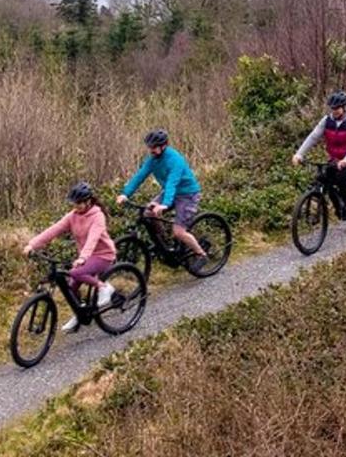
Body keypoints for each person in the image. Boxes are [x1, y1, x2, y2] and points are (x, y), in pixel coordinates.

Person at [23, 181, 121, 334]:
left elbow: (92, 239)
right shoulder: (72, 216)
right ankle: (80, 313)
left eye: (79, 203)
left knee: (77, 272)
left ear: (88, 201)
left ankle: (105, 288)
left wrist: (82, 258)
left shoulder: (98, 216)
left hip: (103, 255)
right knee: (71, 285)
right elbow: (53, 230)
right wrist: (33, 244)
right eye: (74, 203)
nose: (76, 206)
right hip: (86, 256)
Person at [115, 129, 209, 270]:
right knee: (148, 214)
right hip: (170, 193)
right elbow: (139, 176)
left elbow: (172, 182)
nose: (151, 150)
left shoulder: (175, 159)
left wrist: (165, 204)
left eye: (154, 147)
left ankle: (201, 255)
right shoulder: (152, 160)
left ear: (163, 146)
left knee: (178, 231)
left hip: (187, 194)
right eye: (149, 147)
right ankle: (165, 245)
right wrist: (125, 194)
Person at [292, 90, 346, 223]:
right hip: (335, 159)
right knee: (325, 180)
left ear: (344, 107)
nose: (334, 111)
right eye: (332, 108)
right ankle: (340, 210)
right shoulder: (327, 121)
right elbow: (313, 137)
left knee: (340, 179)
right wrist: (299, 154)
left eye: (337, 108)